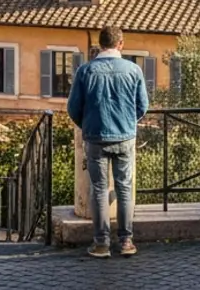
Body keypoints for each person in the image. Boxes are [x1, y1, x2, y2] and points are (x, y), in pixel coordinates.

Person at [66, 26, 149, 259]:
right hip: (125, 137)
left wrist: (88, 124)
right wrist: (128, 123)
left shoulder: (85, 71)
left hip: (95, 137)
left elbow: (73, 108)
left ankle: (101, 243)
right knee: (124, 188)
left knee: (99, 189)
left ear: (100, 44)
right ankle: (126, 241)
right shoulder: (133, 70)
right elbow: (143, 106)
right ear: (120, 44)